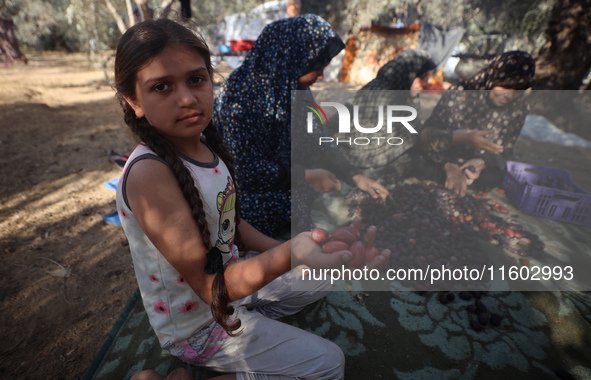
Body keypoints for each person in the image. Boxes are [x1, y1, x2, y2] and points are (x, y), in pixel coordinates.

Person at [114, 18, 389, 380]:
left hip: (234, 295)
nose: (186, 97)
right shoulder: (150, 175)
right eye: (162, 86)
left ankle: (252, 329)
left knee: (320, 276)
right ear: (134, 101)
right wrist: (288, 255)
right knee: (328, 364)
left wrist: (292, 253)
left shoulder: (205, 143)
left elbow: (233, 223)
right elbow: (210, 287)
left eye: (197, 79)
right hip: (199, 322)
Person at [213, 14, 390, 236]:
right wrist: (303, 176)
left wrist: (354, 176)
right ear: (292, 59)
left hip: (289, 182)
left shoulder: (296, 88)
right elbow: (244, 169)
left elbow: (317, 138)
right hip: (246, 199)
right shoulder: (240, 93)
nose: (322, 76)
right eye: (317, 68)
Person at [417, 50, 535, 196]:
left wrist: (481, 162)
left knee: (494, 178)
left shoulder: (518, 109)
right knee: (421, 166)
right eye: (504, 86)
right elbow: (426, 137)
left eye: (518, 90)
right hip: (442, 161)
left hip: (477, 174)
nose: (509, 95)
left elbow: (505, 150)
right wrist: (449, 165)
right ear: (492, 76)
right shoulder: (459, 95)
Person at [336, 49, 436, 181]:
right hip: (359, 164)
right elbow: (416, 133)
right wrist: (461, 137)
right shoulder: (386, 93)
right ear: (408, 74)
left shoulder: (406, 94)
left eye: (428, 77)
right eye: (423, 77)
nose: (426, 83)